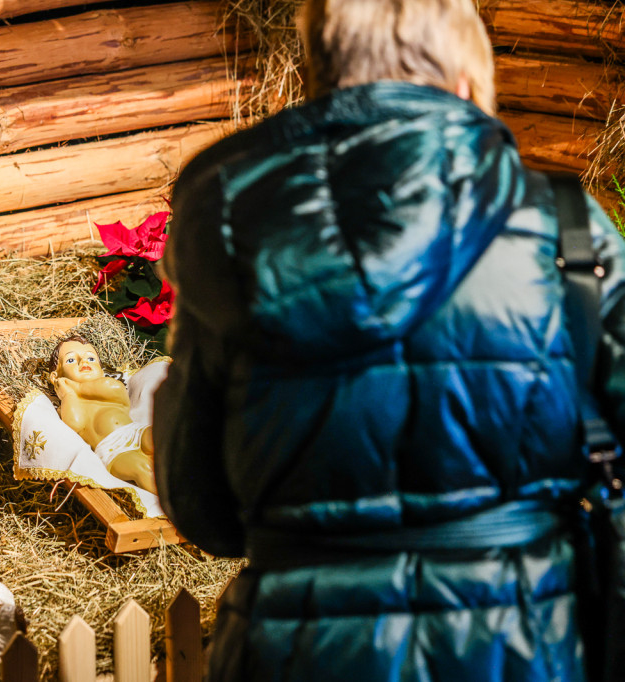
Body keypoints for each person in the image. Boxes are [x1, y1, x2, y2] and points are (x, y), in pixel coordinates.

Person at [153, 0, 625, 679]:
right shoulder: (566, 230)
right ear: (466, 81)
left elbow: (201, 507)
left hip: (294, 652)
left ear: (319, 76)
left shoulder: (229, 227)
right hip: (521, 642)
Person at [48, 335, 156, 493]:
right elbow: (75, 424)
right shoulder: (68, 404)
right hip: (114, 452)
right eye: (71, 360)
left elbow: (112, 388)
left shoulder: (109, 386)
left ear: (101, 368)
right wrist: (68, 395)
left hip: (135, 432)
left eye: (91, 358)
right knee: (141, 466)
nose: (83, 362)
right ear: (55, 377)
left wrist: (76, 388)